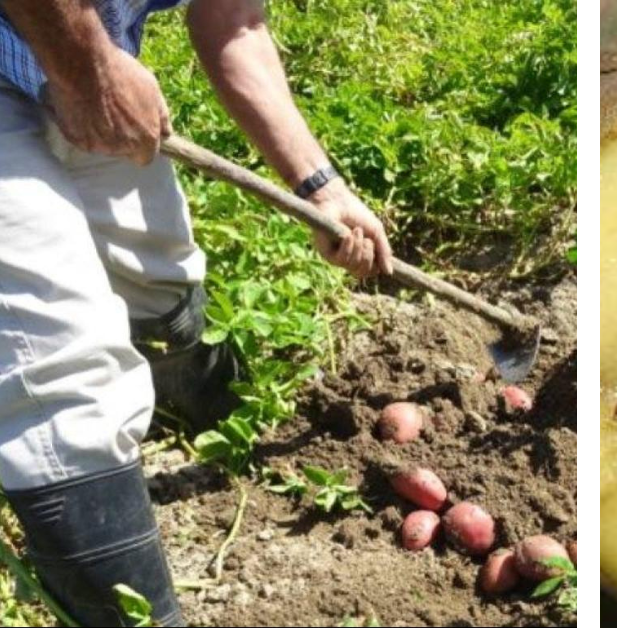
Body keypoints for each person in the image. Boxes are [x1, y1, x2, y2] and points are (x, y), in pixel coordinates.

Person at [0, 0, 394, 624]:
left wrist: (323, 188)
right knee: (61, 367)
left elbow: (233, 20)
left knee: (159, 279)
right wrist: (91, 72)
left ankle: (217, 416)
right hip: (61, 45)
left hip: (72, 48)